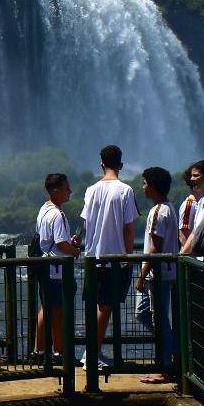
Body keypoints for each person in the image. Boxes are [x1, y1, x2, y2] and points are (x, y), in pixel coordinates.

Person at [79, 145, 139, 369]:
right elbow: (129, 229)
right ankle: (91, 354)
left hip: (93, 256)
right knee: (106, 306)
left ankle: (95, 351)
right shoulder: (125, 191)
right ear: (121, 165)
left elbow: (87, 223)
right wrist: (129, 256)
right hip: (115, 258)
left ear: (101, 163)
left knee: (99, 305)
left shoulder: (90, 190)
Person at [136, 166, 177, 384]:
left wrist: (142, 275)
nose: (142, 187)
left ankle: (166, 367)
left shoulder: (158, 211)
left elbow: (155, 247)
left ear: (152, 186)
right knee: (145, 314)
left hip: (158, 274)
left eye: (144, 183)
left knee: (158, 319)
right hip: (166, 272)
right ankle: (173, 350)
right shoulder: (170, 207)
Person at [34, 173, 81, 360]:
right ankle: (60, 353)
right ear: (55, 191)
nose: (69, 192)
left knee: (46, 308)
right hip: (56, 270)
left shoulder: (44, 209)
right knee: (59, 312)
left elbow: (51, 240)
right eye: (66, 188)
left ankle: (39, 351)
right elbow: (61, 244)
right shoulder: (58, 214)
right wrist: (76, 251)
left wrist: (69, 242)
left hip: (44, 265)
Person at [178, 160, 204, 249]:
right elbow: (193, 233)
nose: (191, 179)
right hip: (199, 258)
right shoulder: (201, 202)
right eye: (191, 176)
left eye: (196, 175)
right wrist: (185, 255)